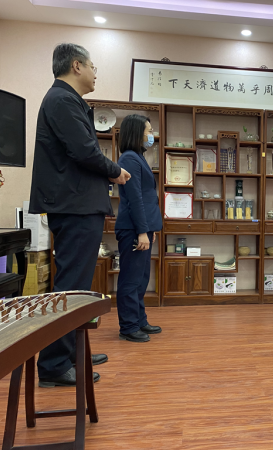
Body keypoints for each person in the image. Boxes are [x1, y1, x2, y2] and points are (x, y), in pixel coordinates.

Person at [29, 43, 131, 387]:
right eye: (92, 66)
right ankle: (54, 365)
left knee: (76, 286)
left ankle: (71, 353)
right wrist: (115, 171)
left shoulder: (67, 100)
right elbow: (84, 151)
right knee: (71, 287)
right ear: (76, 66)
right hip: (74, 205)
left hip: (76, 204)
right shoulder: (62, 100)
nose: (95, 73)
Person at [115, 115, 163, 342]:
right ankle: (128, 326)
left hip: (143, 228)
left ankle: (140, 320)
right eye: (149, 131)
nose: (151, 135)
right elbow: (135, 199)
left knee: (141, 278)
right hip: (133, 229)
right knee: (131, 279)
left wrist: (150, 230)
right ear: (137, 133)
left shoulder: (138, 157)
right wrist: (142, 231)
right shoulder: (129, 158)